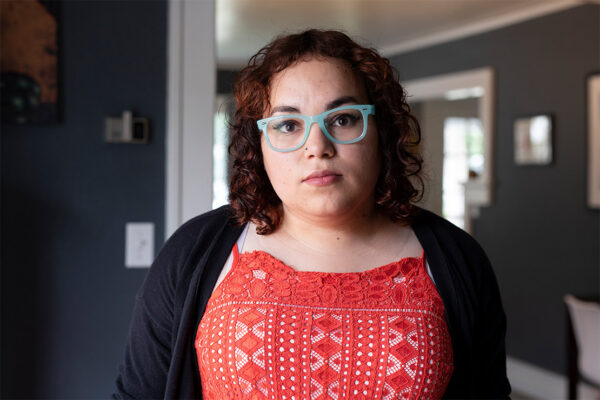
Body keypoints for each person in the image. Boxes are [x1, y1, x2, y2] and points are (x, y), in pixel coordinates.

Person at [114, 29, 511, 399]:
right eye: (288, 124)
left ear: (381, 131)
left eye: (342, 119)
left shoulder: (460, 261)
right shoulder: (193, 253)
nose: (317, 146)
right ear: (260, 144)